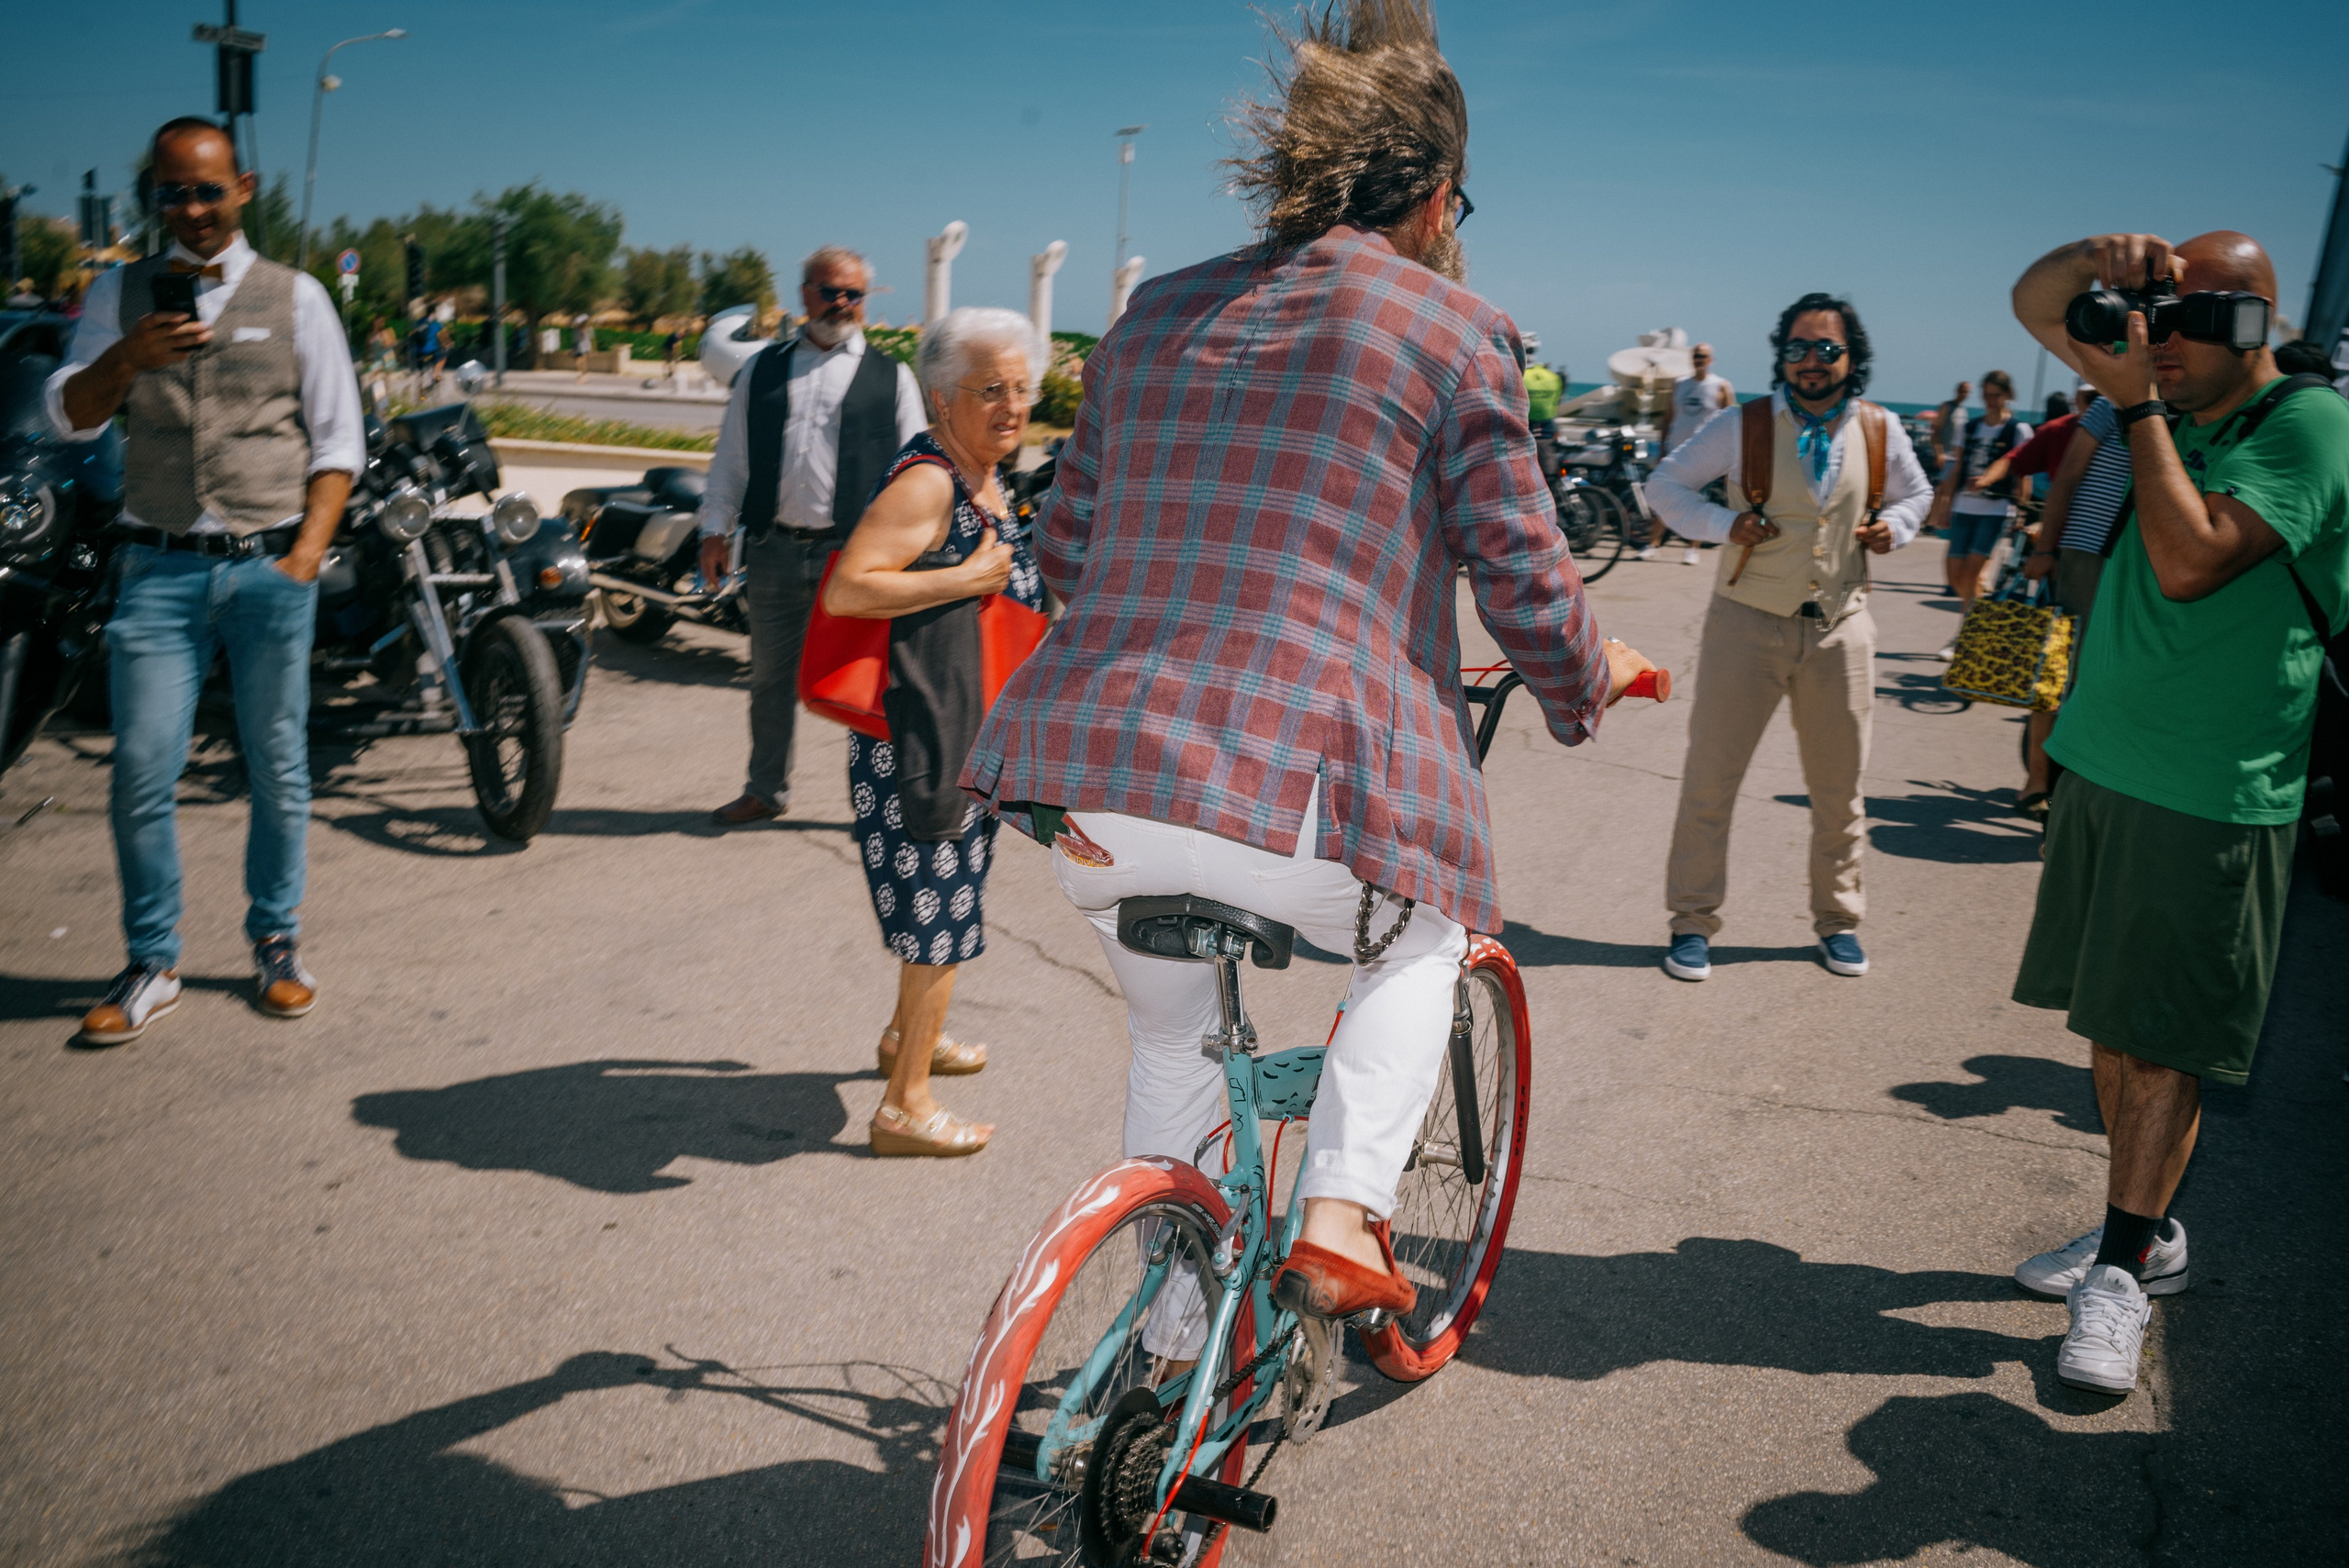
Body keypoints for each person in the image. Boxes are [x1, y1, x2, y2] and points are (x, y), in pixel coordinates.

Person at [963, 0, 1654, 1321]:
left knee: (1172, 1038)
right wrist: (1588, 677)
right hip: (1295, 802)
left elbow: (1063, 547)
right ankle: (1343, 1208)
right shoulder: (1455, 329)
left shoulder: (1152, 311)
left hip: (1096, 790)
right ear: (1439, 196)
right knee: (1426, 938)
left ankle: (1173, 1348)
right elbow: (1521, 574)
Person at [2006, 228, 2348, 1396]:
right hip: (2105, 766)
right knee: (2114, 1028)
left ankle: (2119, 1271)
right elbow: (2035, 298)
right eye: (2153, 316)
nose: (2156, 341)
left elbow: (2193, 559)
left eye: (2188, 319)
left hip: (2208, 790)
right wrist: (2102, 258)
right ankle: (2140, 1232)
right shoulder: (2174, 398)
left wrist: (2138, 409)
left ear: (2250, 324)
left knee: (2160, 1043)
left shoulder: (2308, 424)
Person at [43, 117, 362, 1045]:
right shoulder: (119, 291)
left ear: (244, 188)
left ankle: (277, 940)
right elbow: (67, 416)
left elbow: (338, 441)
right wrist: (125, 357)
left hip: (269, 567)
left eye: (207, 190)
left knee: (278, 766)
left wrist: (303, 559)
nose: (190, 209)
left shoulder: (298, 296)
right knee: (141, 768)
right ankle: (152, 959)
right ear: (154, 198)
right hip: (157, 566)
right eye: (172, 193)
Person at [1646, 293, 1932, 983]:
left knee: (1841, 790)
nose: (1811, 361)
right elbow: (1665, 486)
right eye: (1798, 348)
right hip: (1745, 621)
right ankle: (1691, 921)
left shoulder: (1879, 428)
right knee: (1711, 780)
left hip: (1841, 626)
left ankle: (1839, 920)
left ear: (1851, 358)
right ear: (1782, 356)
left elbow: (1917, 495)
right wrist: (1724, 525)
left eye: (1827, 348)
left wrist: (1893, 528)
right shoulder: (1741, 423)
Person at [822, 308, 1046, 1157]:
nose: (1012, 405)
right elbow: (849, 588)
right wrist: (965, 577)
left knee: (949, 902)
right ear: (943, 398)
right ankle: (904, 1106)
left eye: (1021, 387)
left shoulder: (982, 475)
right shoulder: (929, 483)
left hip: (964, 725)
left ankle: (905, 1036)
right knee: (939, 918)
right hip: (922, 737)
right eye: (991, 389)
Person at [696, 248, 926, 828]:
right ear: (804, 295)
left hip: (853, 560)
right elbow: (732, 459)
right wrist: (714, 530)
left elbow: (918, 473)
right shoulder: (762, 370)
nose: (842, 303)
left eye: (853, 294)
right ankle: (765, 790)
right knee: (769, 681)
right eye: (830, 291)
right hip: (773, 550)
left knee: (867, 686)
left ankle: (876, 805)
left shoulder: (892, 377)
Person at [2011, 388, 2132, 817]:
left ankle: (2086, 782)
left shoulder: (2193, 405)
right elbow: (2067, 477)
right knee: (2059, 670)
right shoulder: (2112, 403)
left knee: (2110, 677)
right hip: (2087, 551)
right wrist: (2046, 549)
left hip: (2146, 560)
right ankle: (2038, 779)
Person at [1924, 369, 2031, 652]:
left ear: (2007, 395)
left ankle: (1965, 634)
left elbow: (2023, 472)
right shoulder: (1969, 427)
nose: (1990, 400)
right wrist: (1945, 506)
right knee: (1954, 574)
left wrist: (2021, 509)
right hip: (1964, 506)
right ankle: (1977, 620)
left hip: (1995, 510)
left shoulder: (2018, 430)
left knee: (1972, 573)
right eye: (1987, 395)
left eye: (1996, 395)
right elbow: (1957, 468)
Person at [1650, 341, 1734, 563]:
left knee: (1698, 501)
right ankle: (1653, 544)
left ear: (1711, 360)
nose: (1699, 360)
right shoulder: (1679, 385)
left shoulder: (1720, 386)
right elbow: (1668, 417)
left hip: (1704, 455)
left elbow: (1731, 423)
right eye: (1696, 355)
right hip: (1676, 452)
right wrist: (1661, 447)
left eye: (1703, 356)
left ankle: (1692, 549)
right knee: (1666, 496)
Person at [1932, 380, 1972, 473]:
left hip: (1956, 457)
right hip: (1945, 456)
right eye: (1963, 391)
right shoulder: (1947, 407)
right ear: (1957, 391)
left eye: (1967, 392)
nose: (1964, 394)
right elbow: (1936, 431)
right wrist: (1939, 454)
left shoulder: (1963, 410)